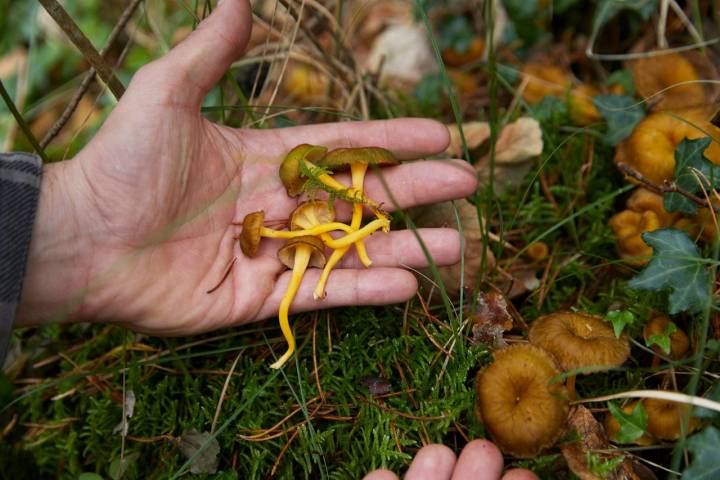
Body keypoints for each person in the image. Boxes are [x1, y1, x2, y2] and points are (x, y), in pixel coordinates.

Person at [0, 1, 537, 478]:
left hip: (317, 229)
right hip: (306, 233)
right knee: (340, 246)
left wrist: (64, 221)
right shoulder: (300, 221)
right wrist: (81, 216)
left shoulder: (328, 207)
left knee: (364, 230)